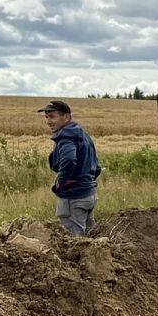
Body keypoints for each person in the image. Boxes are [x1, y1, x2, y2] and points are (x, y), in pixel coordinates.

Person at [38, 100, 101, 235]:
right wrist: (86, 182)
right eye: (46, 117)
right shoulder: (83, 135)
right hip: (89, 195)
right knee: (91, 235)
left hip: (74, 198)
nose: (48, 121)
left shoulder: (66, 137)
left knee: (75, 239)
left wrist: (62, 181)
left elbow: (69, 160)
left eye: (52, 116)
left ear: (66, 117)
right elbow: (97, 166)